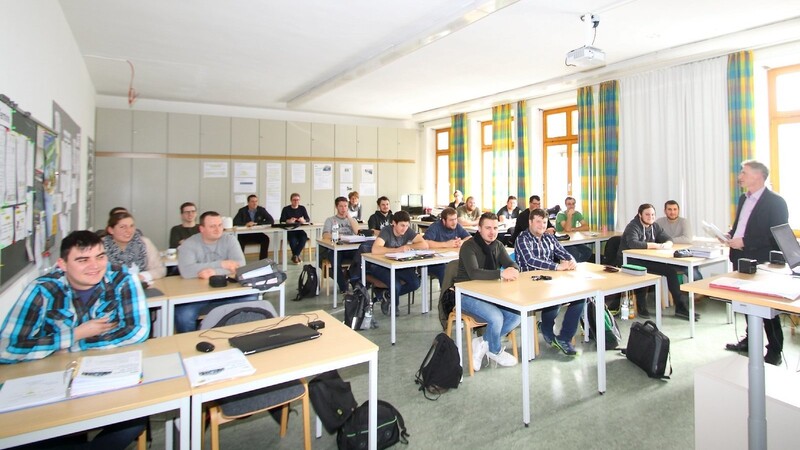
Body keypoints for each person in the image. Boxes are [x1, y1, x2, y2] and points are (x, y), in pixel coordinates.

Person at [0, 230, 149, 448]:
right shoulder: (43, 289)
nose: (95, 266)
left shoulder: (122, 279)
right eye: (82, 260)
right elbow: (6, 348)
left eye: (100, 257)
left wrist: (74, 343)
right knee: (41, 432)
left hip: (105, 373)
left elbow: (138, 330)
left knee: (135, 418)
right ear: (62, 264)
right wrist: (76, 333)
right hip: (53, 378)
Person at [723, 160, 789, 366]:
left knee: (766, 307)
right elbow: (741, 225)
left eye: (744, 172)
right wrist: (731, 235)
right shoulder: (744, 198)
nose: (740, 176)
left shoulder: (776, 202)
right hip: (740, 257)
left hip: (762, 260)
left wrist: (745, 241)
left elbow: (776, 235)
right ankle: (750, 341)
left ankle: (775, 350)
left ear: (758, 176)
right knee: (746, 302)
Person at [455, 213, 520, 371]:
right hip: (465, 294)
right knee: (496, 318)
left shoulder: (497, 245)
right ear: (479, 228)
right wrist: (501, 274)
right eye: (488, 228)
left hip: (490, 293)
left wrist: (513, 269)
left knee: (515, 316)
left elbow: (511, 263)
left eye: (495, 228)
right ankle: (495, 350)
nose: (492, 232)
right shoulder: (469, 246)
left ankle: (483, 342)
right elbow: (474, 273)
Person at [515, 208, 582, 355]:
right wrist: (557, 266)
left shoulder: (549, 238)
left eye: (544, 222)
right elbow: (531, 260)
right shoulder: (522, 238)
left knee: (581, 297)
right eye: (538, 221)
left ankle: (564, 337)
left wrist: (572, 261)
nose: (541, 225)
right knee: (555, 298)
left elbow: (563, 252)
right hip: (529, 285)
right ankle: (546, 327)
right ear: (530, 222)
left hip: (550, 281)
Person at [177, 211, 255, 333]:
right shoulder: (189, 244)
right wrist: (222, 264)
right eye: (212, 226)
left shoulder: (230, 240)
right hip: (197, 296)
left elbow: (239, 265)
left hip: (228, 293)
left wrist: (213, 271)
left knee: (252, 298)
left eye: (220, 225)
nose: (218, 229)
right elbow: (186, 271)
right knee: (183, 315)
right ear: (201, 229)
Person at [617, 203, 697, 321]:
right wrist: (656, 245)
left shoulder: (655, 226)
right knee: (643, 273)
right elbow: (633, 243)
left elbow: (667, 238)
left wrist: (668, 243)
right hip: (629, 260)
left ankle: (680, 307)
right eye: (647, 214)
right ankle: (641, 306)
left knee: (670, 271)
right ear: (640, 215)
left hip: (646, 259)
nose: (651, 217)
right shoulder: (633, 226)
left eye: (653, 214)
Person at [369, 211, 428, 311]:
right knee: (395, 285)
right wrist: (396, 250)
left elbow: (424, 245)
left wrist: (407, 246)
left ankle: (386, 295)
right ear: (394, 223)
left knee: (415, 283)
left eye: (406, 225)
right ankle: (393, 306)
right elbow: (375, 249)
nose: (404, 229)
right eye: (402, 225)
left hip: (398, 265)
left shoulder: (407, 230)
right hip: (382, 265)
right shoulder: (386, 231)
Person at [103, 212, 166, 284]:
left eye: (131, 226)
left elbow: (161, 270)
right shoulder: (101, 246)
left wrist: (140, 277)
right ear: (111, 230)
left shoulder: (144, 243)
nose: (129, 231)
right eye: (122, 227)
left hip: (141, 287)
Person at [655, 200, 703, 281]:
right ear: (665, 211)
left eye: (675, 209)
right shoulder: (659, 222)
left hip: (684, 257)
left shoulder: (684, 222)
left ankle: (701, 292)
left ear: (678, 210)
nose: (672, 212)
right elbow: (655, 237)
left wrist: (668, 241)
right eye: (669, 209)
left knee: (693, 273)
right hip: (666, 258)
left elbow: (687, 239)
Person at [322, 196, 361, 293]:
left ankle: (353, 280)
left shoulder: (352, 219)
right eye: (341, 206)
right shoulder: (330, 220)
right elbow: (325, 235)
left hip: (350, 248)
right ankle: (344, 288)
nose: (343, 209)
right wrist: (338, 237)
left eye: (345, 206)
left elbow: (357, 232)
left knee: (361, 258)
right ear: (336, 207)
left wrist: (350, 218)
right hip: (337, 247)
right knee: (335, 262)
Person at [423, 207, 471, 284]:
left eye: (455, 219)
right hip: (434, 262)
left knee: (465, 266)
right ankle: (446, 294)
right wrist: (446, 244)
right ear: (443, 221)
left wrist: (462, 242)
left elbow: (470, 238)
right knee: (446, 269)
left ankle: (459, 293)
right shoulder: (435, 227)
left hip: (451, 259)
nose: (454, 222)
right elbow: (425, 243)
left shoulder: (457, 226)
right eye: (451, 220)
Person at [233, 194, 274, 260]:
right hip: (244, 234)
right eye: (252, 201)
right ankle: (240, 261)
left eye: (256, 201)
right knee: (239, 241)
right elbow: (235, 222)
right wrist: (246, 224)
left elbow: (271, 221)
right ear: (248, 202)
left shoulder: (261, 210)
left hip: (256, 233)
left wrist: (257, 223)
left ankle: (262, 261)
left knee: (265, 239)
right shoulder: (242, 211)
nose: (254, 203)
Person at [555, 196, 593, 262]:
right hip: (562, 241)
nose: (571, 206)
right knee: (574, 251)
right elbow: (567, 229)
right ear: (566, 205)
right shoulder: (560, 215)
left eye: (573, 204)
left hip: (572, 240)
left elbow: (586, 227)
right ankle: (574, 266)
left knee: (588, 251)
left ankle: (575, 265)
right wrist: (569, 216)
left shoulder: (577, 214)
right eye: (569, 204)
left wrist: (574, 229)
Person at [279, 193, 310, 264]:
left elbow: (307, 219)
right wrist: (288, 221)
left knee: (304, 237)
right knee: (293, 239)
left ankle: (295, 255)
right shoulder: (286, 209)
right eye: (294, 200)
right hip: (290, 230)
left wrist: (303, 220)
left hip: (299, 229)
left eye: (297, 200)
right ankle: (296, 255)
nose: (296, 201)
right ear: (291, 200)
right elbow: (281, 220)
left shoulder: (302, 208)